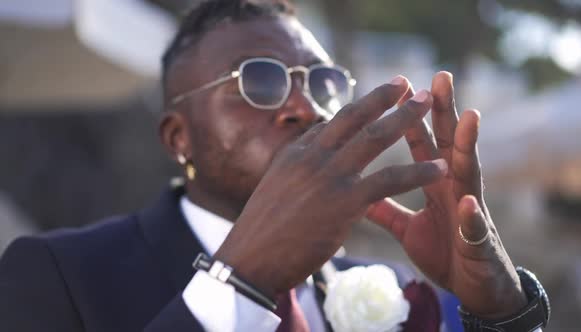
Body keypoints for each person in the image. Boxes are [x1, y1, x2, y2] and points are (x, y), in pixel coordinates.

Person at [0, 0, 549, 331]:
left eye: (324, 83)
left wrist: (500, 312)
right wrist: (240, 284)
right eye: (259, 80)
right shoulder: (59, 275)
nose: (303, 106)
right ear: (177, 137)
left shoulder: (393, 291)